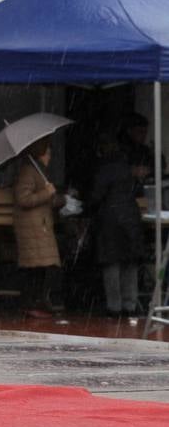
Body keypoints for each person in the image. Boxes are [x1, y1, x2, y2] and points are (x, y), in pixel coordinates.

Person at [86, 134, 144, 319]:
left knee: (112, 263)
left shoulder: (103, 169)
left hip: (110, 220)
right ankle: (131, 304)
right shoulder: (127, 168)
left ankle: (114, 307)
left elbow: (96, 197)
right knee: (130, 262)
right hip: (131, 217)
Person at [13, 136, 64, 319]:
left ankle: (39, 301)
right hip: (33, 227)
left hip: (40, 226)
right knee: (35, 268)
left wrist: (58, 199)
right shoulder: (28, 171)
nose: (50, 157)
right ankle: (31, 303)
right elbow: (23, 199)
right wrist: (46, 193)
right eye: (48, 152)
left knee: (43, 267)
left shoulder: (39, 171)